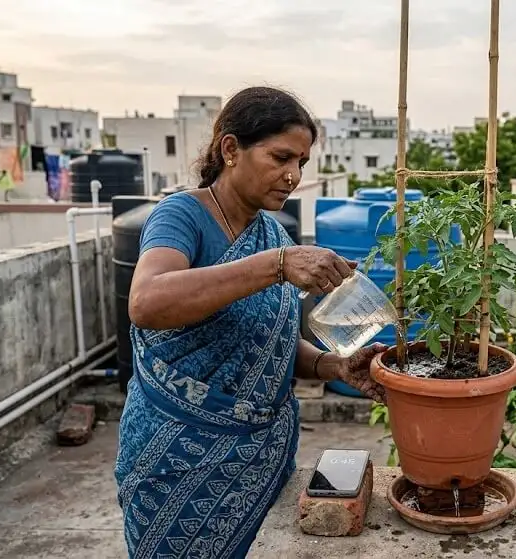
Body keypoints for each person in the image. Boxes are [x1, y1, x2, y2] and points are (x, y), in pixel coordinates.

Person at [114, 86, 386, 558]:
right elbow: (146, 301)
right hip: (178, 461)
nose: (293, 175)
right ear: (231, 149)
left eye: (301, 162)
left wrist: (334, 367)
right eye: (281, 157)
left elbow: (268, 343)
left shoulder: (270, 232)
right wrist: (276, 265)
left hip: (257, 460)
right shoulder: (182, 216)